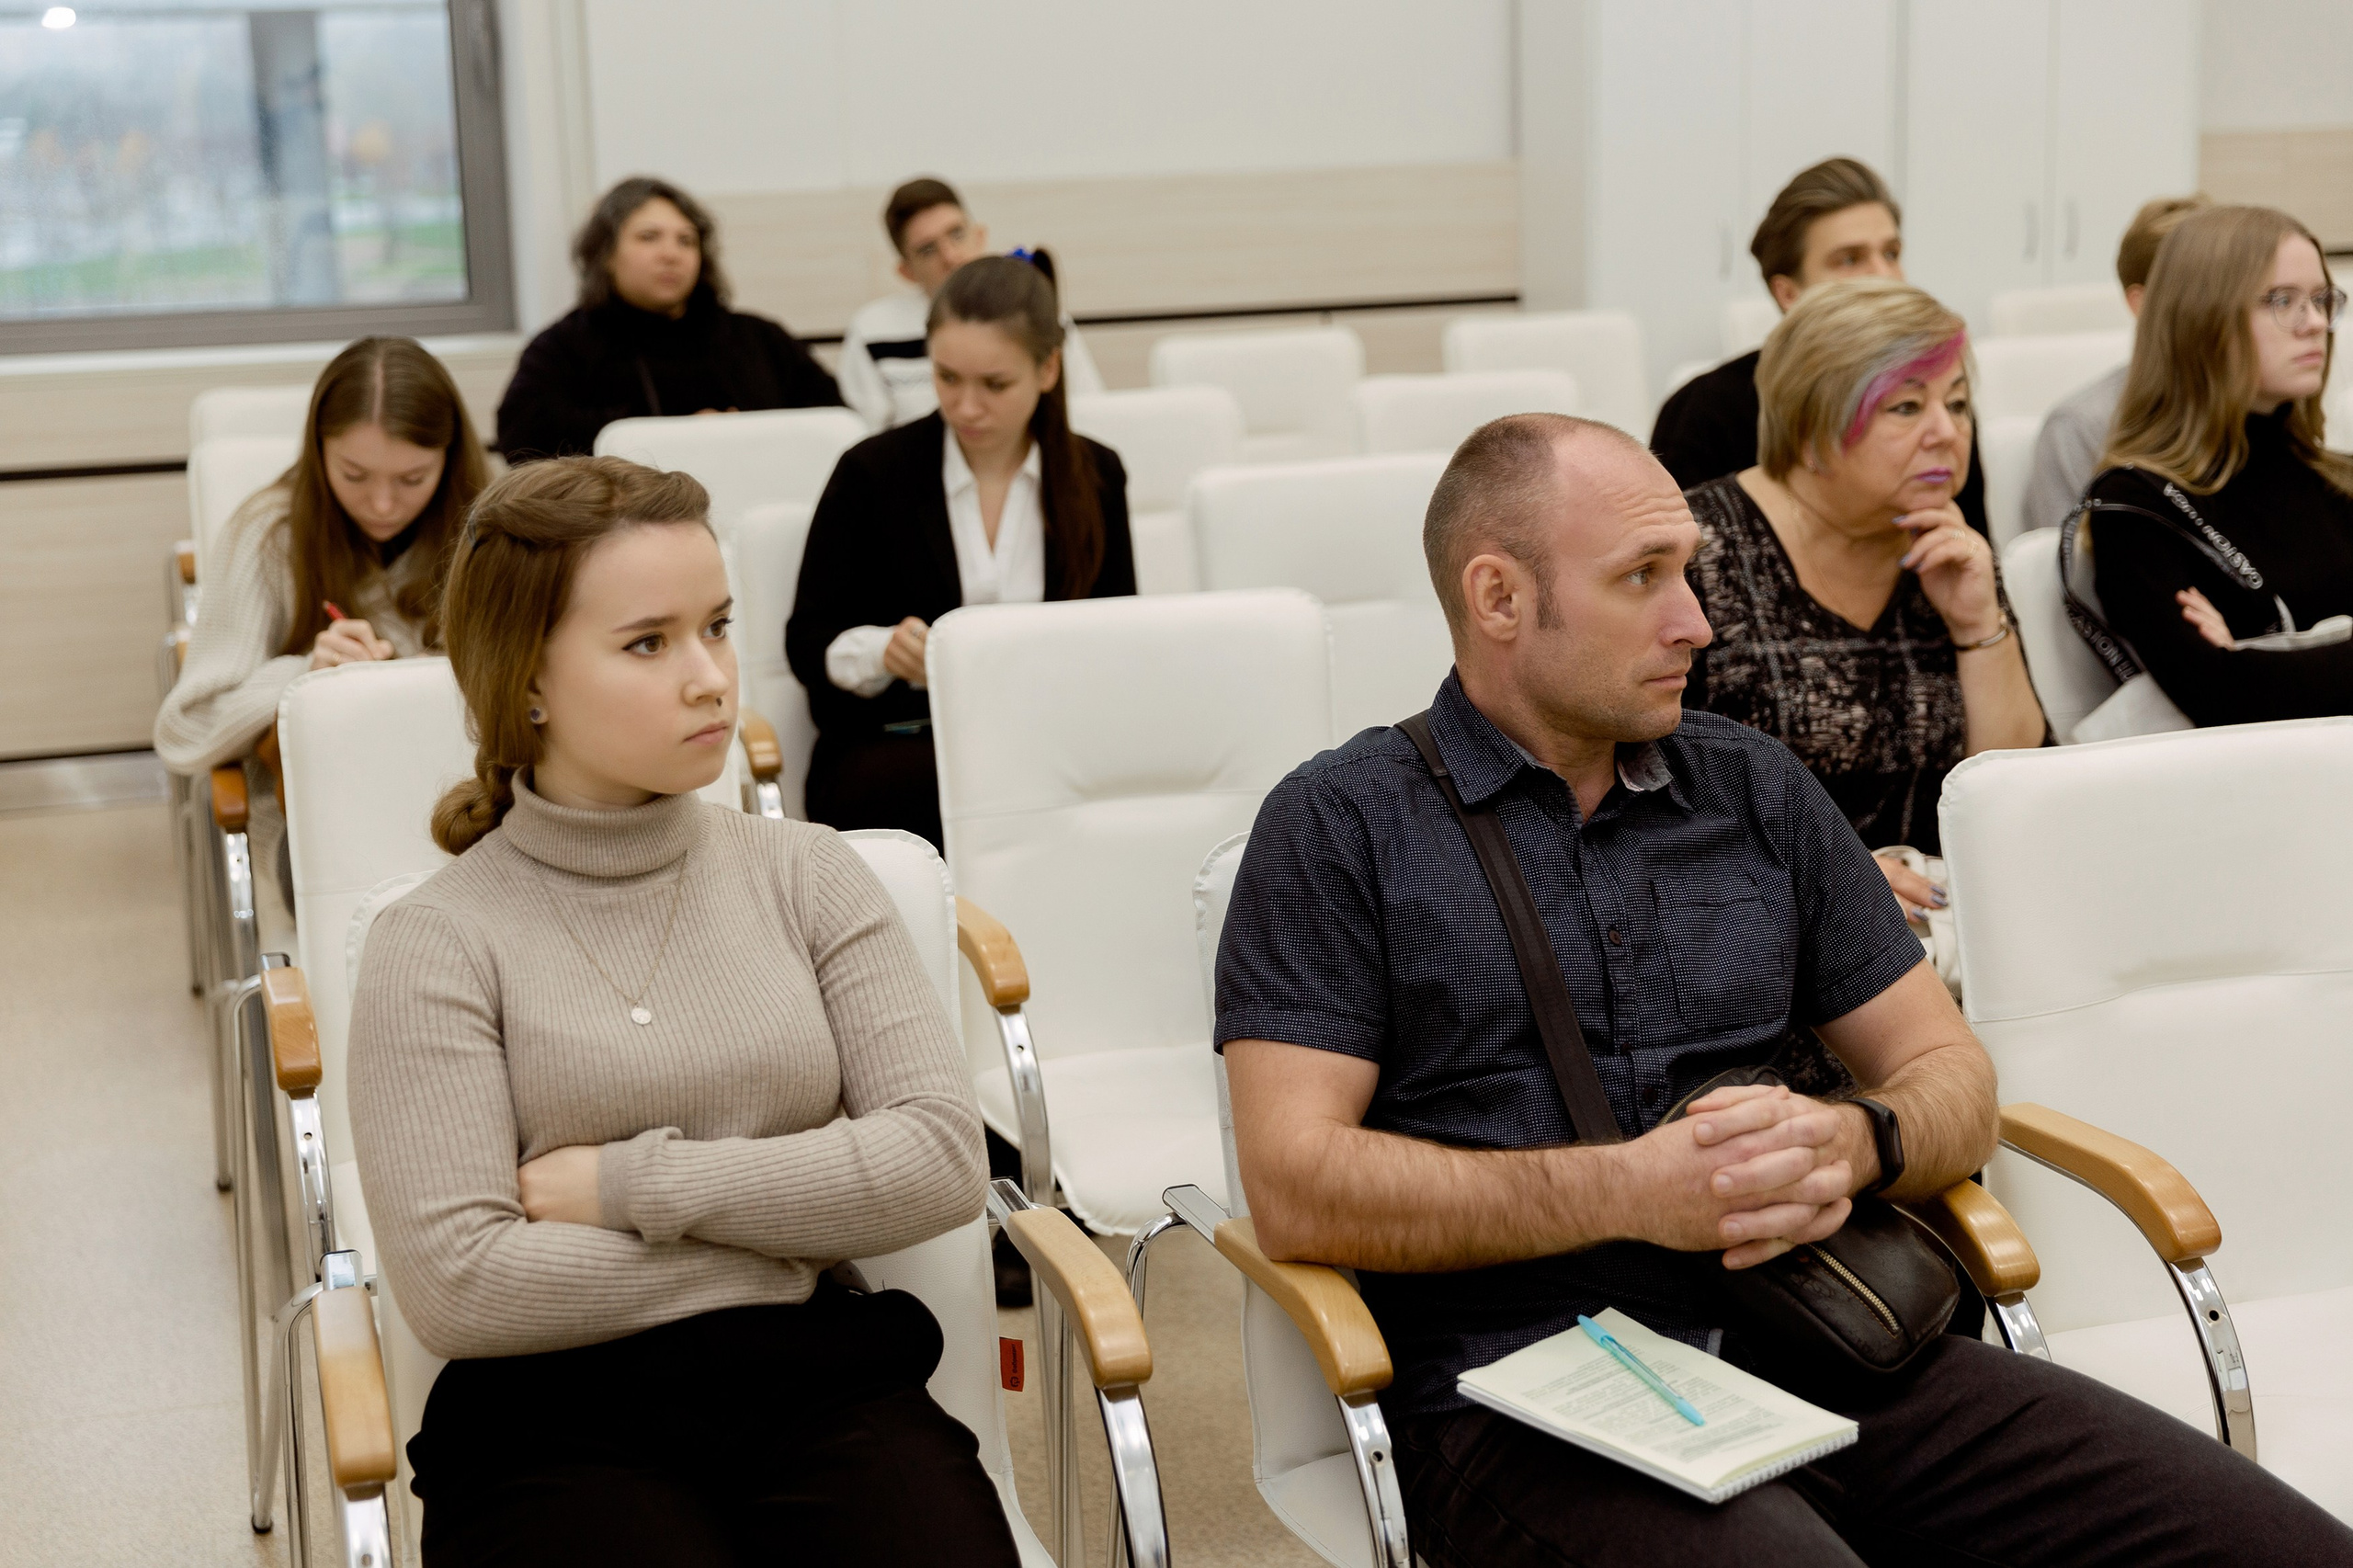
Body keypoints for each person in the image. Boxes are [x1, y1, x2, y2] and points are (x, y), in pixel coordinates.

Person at [1213, 412, 2353, 1566]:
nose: (1695, 623)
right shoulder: (1340, 825)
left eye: (1691, 573)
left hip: (1825, 1337)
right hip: (1527, 1397)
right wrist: (1630, 1190)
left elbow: (1952, 1077)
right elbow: (1298, 1185)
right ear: (1499, 597)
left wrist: (1853, 1141)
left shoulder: (1750, 785)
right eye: (1641, 578)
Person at [346, 455, 1017, 1565]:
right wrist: (789, 1250)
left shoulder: (809, 873)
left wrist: (629, 1184)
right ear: (527, 679)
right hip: (548, 1423)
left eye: (716, 626)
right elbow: (464, 1285)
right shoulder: (437, 940)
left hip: (825, 1389)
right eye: (648, 642)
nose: (711, 677)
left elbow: (939, 1159)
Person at [1682, 279, 2044, 930]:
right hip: (1750, 925)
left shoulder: (1950, 545)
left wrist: (1976, 622)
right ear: (1813, 424)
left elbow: (2008, 784)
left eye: (1958, 405)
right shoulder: (1694, 556)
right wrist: (1829, 878)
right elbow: (1640, 801)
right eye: (1907, 408)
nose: (1947, 433)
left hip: (1943, 928)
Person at [786, 254, 1135, 849]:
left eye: (995, 385)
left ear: (1048, 369)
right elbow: (809, 641)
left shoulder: (1095, 474)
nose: (967, 407)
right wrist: (883, 651)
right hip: (900, 743)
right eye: (947, 378)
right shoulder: (872, 473)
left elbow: (1117, 631)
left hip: (1048, 741)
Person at [155, 335, 489, 900]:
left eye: (412, 479)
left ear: (450, 459)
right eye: (355, 475)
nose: (383, 504)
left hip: (474, 797)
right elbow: (185, 730)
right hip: (322, 822)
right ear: (318, 450)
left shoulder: (488, 525)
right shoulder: (270, 535)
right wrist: (303, 672)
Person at [2080, 204, 2353, 725]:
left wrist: (2260, 656)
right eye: (2282, 301)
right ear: (2201, 319)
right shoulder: (2133, 507)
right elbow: (2224, 698)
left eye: (2321, 300)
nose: (2315, 323)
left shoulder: (2337, 478)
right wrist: (2252, 672)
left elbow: (2246, 681)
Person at [1651, 157, 1993, 537]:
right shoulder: (1705, 412)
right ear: (1789, 294)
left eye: (1892, 253)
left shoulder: (1938, 397)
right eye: (1850, 259)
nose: (1884, 276)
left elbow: (1974, 543)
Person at [495, 176, 841, 461]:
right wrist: (674, 434)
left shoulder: (759, 338)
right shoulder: (563, 347)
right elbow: (523, 439)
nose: (671, 254)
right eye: (649, 237)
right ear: (605, 254)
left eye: (686, 241)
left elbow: (834, 424)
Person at [836, 176, 1105, 432]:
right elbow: (863, 435)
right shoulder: (873, 331)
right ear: (907, 271)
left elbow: (1089, 412)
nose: (950, 256)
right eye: (928, 249)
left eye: (957, 234)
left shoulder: (1039, 312)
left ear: (980, 235)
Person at [2018, 194, 2210, 535]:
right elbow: (2066, 576)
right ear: (2143, 303)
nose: (2225, 304)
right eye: (2201, 286)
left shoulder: (2260, 410)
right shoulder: (2077, 431)